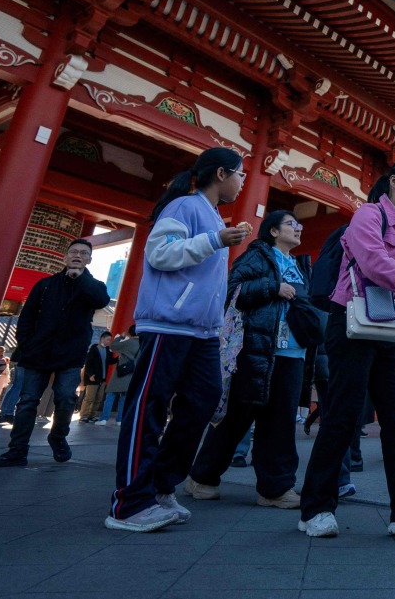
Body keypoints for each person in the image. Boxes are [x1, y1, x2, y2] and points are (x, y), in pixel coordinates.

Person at [298, 158, 395, 539]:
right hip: (351, 323)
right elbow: (372, 260)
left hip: (388, 329)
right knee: (343, 412)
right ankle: (315, 508)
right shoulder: (368, 215)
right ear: (393, 182)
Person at [106, 147, 249, 533]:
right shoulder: (185, 207)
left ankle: (160, 485)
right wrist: (216, 239)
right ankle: (130, 503)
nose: (242, 182)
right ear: (221, 173)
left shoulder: (212, 214)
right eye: (240, 174)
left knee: (203, 401)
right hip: (169, 324)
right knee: (148, 408)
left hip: (202, 331)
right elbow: (159, 254)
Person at [186, 209, 312, 511]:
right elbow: (231, 292)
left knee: (281, 421)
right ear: (272, 231)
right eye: (291, 224)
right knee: (238, 417)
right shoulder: (256, 256)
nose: (298, 228)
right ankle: (202, 477)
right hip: (257, 349)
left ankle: (276, 489)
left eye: (300, 224)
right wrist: (272, 288)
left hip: (293, 353)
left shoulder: (300, 264)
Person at [0, 239, 109, 468]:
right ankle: (17, 450)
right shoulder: (45, 285)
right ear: (65, 257)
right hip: (38, 352)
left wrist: (80, 278)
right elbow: (28, 316)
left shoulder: (94, 286)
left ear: (89, 260)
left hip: (70, 355)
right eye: (73, 252)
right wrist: (26, 344)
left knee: (65, 398)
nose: (77, 255)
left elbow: (101, 300)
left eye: (84, 253)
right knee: (27, 402)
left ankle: (58, 436)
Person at [98, 327, 138, 425]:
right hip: (131, 373)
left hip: (120, 372)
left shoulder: (129, 342)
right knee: (124, 398)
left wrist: (120, 337)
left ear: (129, 333)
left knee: (110, 395)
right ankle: (120, 419)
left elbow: (113, 346)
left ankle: (104, 418)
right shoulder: (142, 343)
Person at [80, 332, 113, 422]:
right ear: (102, 338)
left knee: (98, 398)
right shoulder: (93, 349)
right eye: (108, 339)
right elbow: (88, 363)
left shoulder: (108, 350)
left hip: (102, 379)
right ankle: (84, 416)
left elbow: (110, 361)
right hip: (93, 378)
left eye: (109, 340)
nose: (108, 342)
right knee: (89, 398)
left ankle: (92, 415)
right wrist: (90, 374)